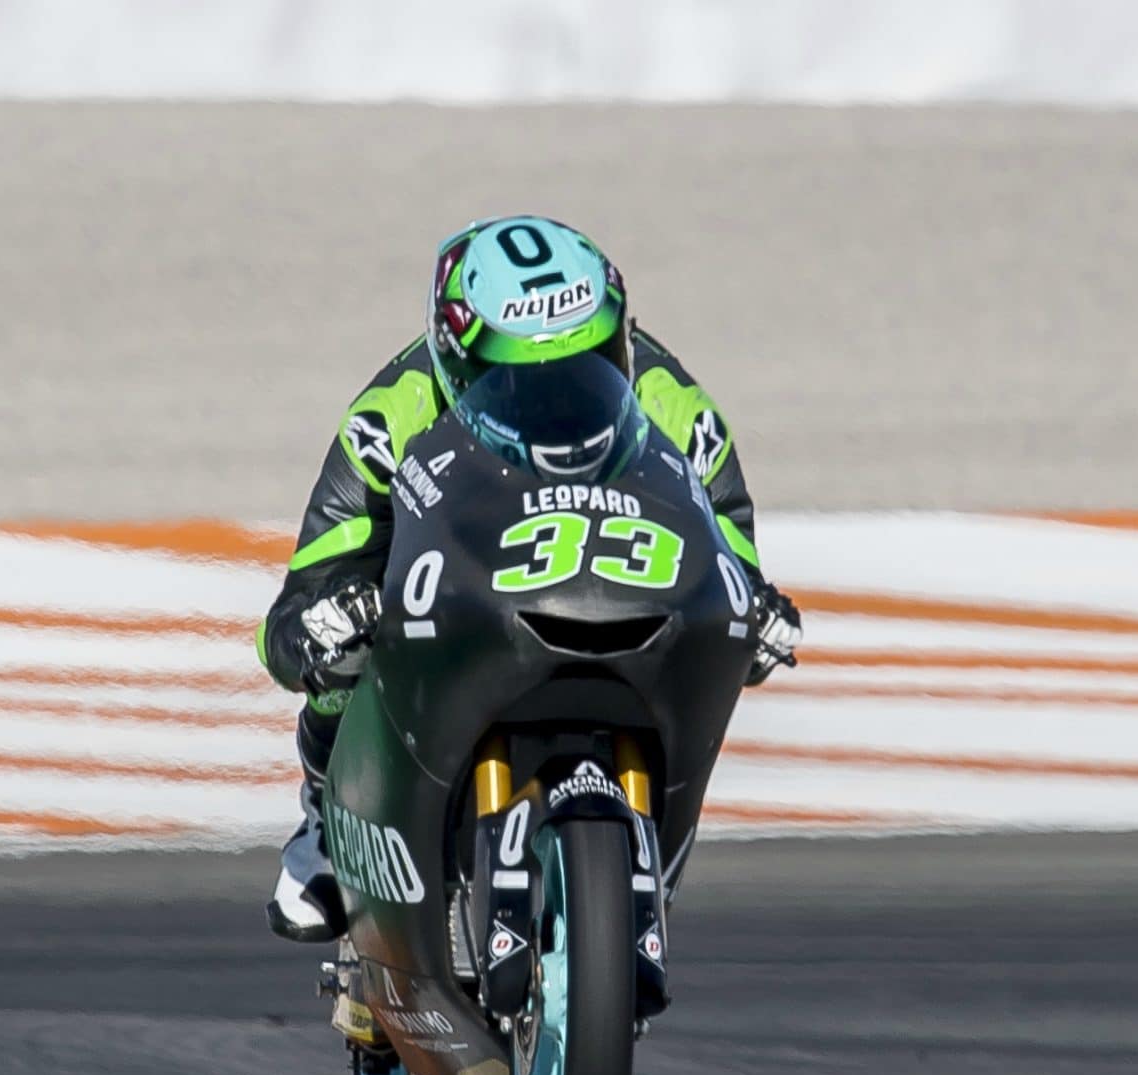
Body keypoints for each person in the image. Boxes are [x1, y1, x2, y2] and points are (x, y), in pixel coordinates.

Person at [257, 215, 802, 939]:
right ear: (455, 362)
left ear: (622, 338)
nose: (556, 399)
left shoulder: (676, 406)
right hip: (455, 592)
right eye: (516, 381)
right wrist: (321, 625)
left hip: (611, 589)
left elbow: (728, 548)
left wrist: (753, 611)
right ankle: (324, 822)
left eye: (593, 362)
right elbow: (294, 609)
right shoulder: (388, 416)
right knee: (338, 649)